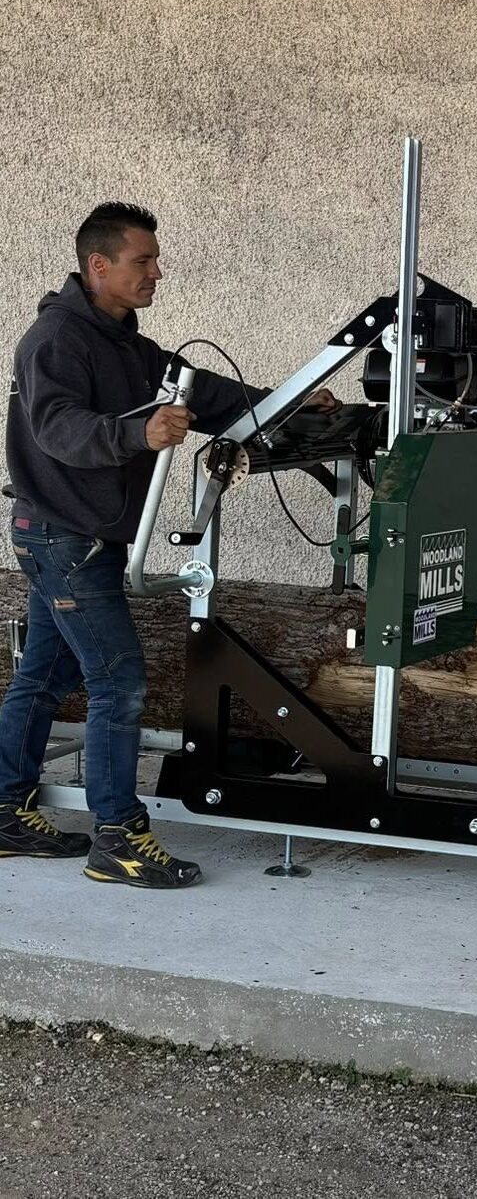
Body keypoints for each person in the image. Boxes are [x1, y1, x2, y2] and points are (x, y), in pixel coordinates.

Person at [0, 202, 336, 887]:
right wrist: (137, 433)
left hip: (74, 537)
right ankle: (118, 838)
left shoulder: (131, 346)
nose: (157, 271)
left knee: (45, 676)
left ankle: (5, 812)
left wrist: (287, 401)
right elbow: (57, 428)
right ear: (99, 266)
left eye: (155, 259)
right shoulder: (56, 340)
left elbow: (205, 394)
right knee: (117, 680)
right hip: (65, 538)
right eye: (143, 260)